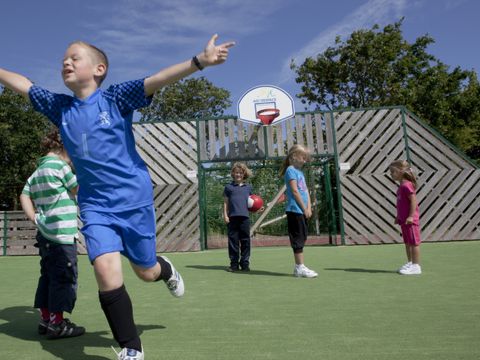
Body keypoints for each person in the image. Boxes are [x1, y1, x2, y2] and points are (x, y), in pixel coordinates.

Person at [1, 34, 235, 359]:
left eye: (74, 58)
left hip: (133, 201)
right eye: (63, 60)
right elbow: (24, 84)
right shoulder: (61, 107)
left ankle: (165, 270)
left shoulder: (115, 98)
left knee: (145, 271)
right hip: (95, 207)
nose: (66, 63)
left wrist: (199, 62)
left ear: (99, 68)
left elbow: (156, 80)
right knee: (105, 271)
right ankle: (131, 349)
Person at [20, 128, 85, 340]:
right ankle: (57, 324)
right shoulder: (60, 167)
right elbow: (78, 190)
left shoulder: (38, 171)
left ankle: (46, 318)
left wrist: (35, 218)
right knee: (64, 277)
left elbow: (24, 194)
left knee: (47, 276)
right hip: (62, 235)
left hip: (45, 234)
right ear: (63, 147)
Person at [279, 145, 318, 278]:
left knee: (302, 236)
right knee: (298, 238)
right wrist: (303, 208)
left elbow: (305, 190)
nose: (305, 161)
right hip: (294, 210)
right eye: (303, 158)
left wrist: (308, 208)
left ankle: (299, 267)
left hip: (302, 211)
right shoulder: (290, 170)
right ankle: (299, 267)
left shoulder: (300, 173)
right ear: (294, 157)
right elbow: (295, 191)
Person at [223, 162, 261, 272]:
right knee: (233, 241)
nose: (238, 174)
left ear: (244, 174)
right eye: (236, 172)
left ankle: (245, 264)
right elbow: (225, 203)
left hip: (245, 218)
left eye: (240, 173)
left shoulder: (248, 187)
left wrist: (257, 209)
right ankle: (234, 264)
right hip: (232, 218)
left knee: (245, 241)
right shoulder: (228, 187)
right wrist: (226, 215)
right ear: (233, 174)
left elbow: (252, 203)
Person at [389, 160, 422, 275]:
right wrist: (399, 216)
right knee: (407, 243)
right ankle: (410, 263)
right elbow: (401, 204)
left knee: (414, 243)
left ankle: (416, 266)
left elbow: (413, 201)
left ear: (400, 172)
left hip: (410, 221)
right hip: (404, 221)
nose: (391, 174)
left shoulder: (407, 185)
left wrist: (411, 216)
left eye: (393, 172)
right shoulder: (401, 186)